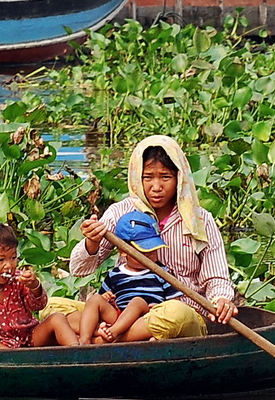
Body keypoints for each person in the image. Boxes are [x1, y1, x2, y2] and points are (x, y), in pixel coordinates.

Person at [48, 135, 238, 339]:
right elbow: (79, 270)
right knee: (52, 306)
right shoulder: (120, 212)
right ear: (137, 177)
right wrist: (92, 242)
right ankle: (118, 334)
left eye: (165, 177)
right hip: (122, 313)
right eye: (148, 177)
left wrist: (221, 300)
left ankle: (104, 338)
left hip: (177, 313)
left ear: (179, 177)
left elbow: (217, 277)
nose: (156, 187)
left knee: (175, 314)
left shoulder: (201, 220)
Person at [0, 223, 80, 349]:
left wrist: (34, 286)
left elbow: (38, 305)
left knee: (57, 318)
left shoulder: (18, 281)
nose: (9, 265)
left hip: (30, 337)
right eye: (1, 260)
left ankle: (76, 353)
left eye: (13, 257)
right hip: (0, 347)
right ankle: (16, 362)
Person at [76, 210, 182, 344]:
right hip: (119, 317)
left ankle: (112, 334)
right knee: (94, 299)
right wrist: (106, 298)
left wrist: (161, 308)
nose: (152, 257)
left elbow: (176, 303)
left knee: (138, 301)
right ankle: (84, 341)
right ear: (123, 251)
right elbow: (104, 299)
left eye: (154, 251)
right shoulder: (115, 274)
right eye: (145, 253)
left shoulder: (162, 272)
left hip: (146, 318)